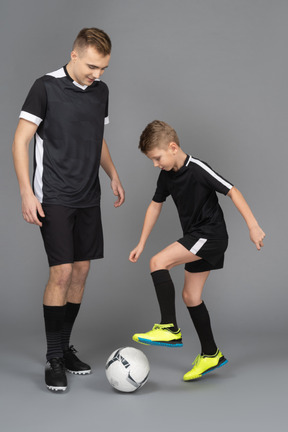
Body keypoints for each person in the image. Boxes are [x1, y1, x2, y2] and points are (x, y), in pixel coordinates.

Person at [12, 28, 125, 392]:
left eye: (104, 68)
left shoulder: (101, 92)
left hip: (88, 195)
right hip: (54, 195)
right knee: (60, 273)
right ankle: (54, 357)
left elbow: (98, 137)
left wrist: (113, 175)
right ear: (74, 55)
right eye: (93, 66)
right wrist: (27, 193)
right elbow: (20, 140)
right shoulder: (45, 87)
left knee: (80, 272)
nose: (98, 74)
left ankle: (65, 346)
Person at [129, 120, 265, 381]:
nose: (156, 165)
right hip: (197, 237)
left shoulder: (198, 168)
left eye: (157, 158)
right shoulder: (167, 176)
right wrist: (142, 242)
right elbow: (155, 205)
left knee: (158, 262)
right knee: (191, 296)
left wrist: (253, 226)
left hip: (210, 236)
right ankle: (210, 354)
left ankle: (169, 327)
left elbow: (232, 191)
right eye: (152, 161)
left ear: (172, 147)